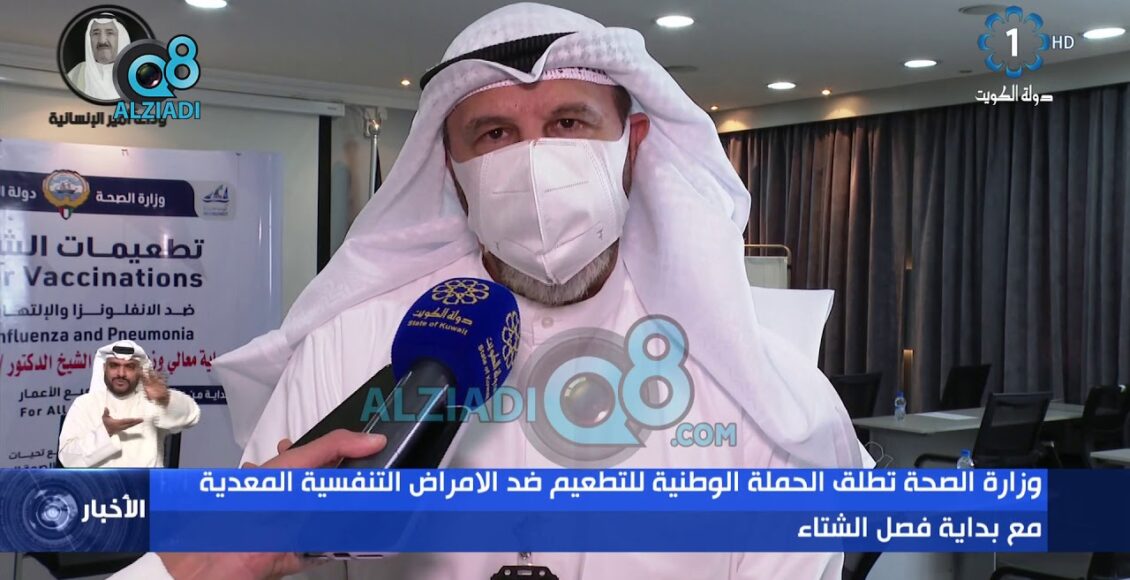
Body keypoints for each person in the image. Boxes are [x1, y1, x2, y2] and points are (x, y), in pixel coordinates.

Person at [115, 3, 867, 578]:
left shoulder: (746, 379)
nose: (535, 161)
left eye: (569, 122)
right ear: (452, 166)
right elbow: (250, 558)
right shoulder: (349, 344)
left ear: (631, 147)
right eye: (496, 134)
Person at [58, 340, 200, 468]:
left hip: (147, 486)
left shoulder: (152, 402)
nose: (121, 373)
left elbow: (192, 416)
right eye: (114, 365)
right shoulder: (85, 404)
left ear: (140, 371)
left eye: (129, 367)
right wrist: (106, 432)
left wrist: (165, 399)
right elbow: (67, 460)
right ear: (104, 368)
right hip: (98, 488)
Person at [65, 14, 130, 101]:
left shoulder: (135, 74)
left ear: (121, 38)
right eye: (96, 33)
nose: (102, 40)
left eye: (110, 33)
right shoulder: (78, 72)